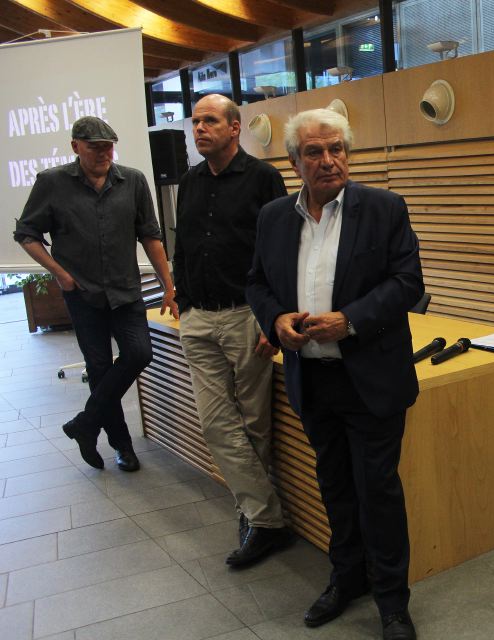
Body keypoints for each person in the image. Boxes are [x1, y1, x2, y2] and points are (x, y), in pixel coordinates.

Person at [246, 108, 423, 640]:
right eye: (315, 153)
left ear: (348, 153)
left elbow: (407, 282)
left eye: (337, 150)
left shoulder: (384, 208)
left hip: (370, 378)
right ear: (295, 161)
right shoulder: (275, 217)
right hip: (313, 380)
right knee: (335, 487)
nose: (328, 161)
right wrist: (276, 320)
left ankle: (392, 602)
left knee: (378, 492)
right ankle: (346, 579)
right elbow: (257, 283)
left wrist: (350, 320)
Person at [14, 116, 178, 472]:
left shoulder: (132, 180)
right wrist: (60, 274)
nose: (104, 153)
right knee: (101, 369)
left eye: (108, 146)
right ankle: (122, 446)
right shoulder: (52, 183)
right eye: (95, 147)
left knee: (139, 353)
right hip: (83, 295)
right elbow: (26, 234)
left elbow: (150, 235)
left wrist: (169, 286)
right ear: (76, 146)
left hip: (126, 291)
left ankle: (85, 424)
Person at [174, 94, 289, 567]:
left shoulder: (264, 178)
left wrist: (274, 317)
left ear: (235, 128)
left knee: (255, 425)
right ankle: (268, 519)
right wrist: (181, 297)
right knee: (216, 423)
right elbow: (182, 241)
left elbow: (283, 251)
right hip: (199, 317)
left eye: (210, 121)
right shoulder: (190, 179)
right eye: (196, 122)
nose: (200, 128)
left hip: (247, 314)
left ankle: (254, 519)